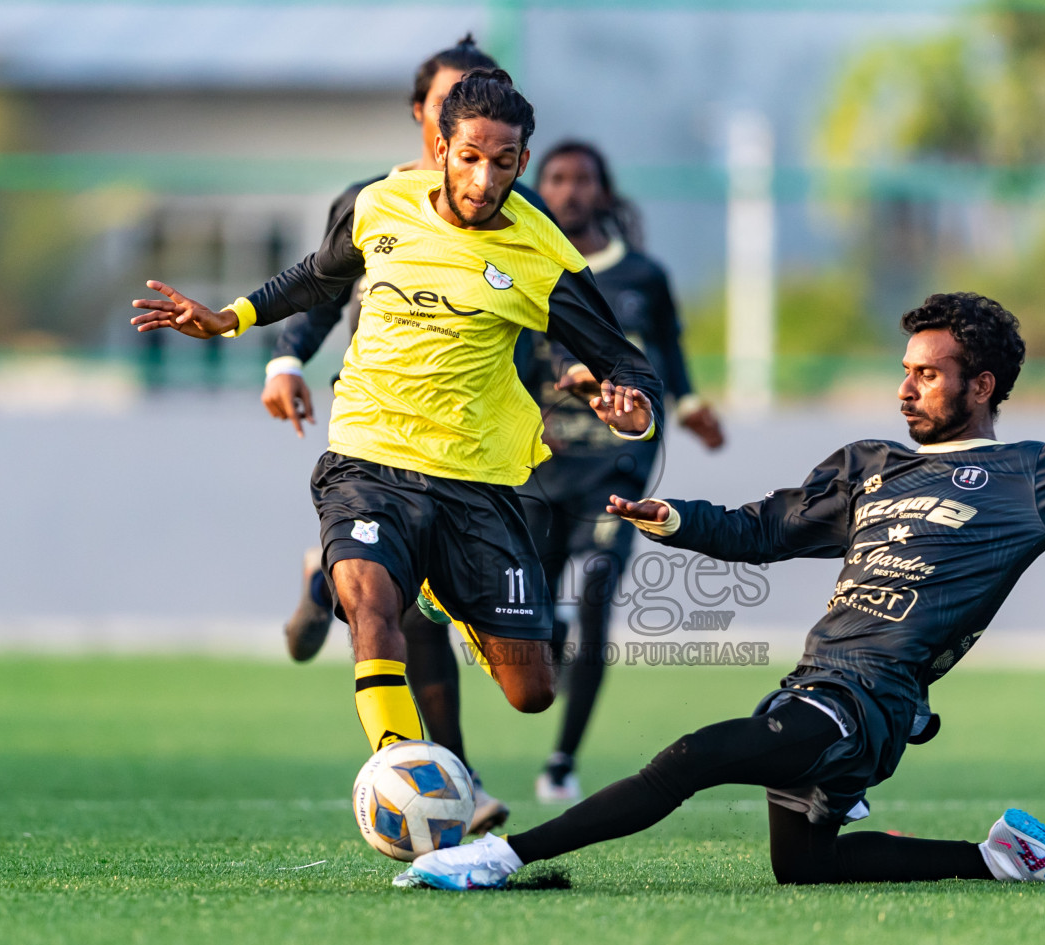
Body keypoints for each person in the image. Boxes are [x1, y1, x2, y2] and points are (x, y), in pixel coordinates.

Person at [396, 295, 1045, 890]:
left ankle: (501, 860)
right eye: (905, 372)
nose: (907, 388)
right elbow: (765, 529)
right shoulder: (871, 464)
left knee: (695, 756)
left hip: (871, 705)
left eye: (929, 376)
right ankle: (996, 858)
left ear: (982, 386)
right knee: (806, 868)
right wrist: (675, 518)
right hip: (815, 685)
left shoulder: (1028, 477)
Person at [130, 71, 663, 796]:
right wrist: (233, 317)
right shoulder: (381, 206)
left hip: (477, 478)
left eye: (503, 162)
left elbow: (624, 360)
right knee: (374, 611)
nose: (484, 178)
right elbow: (318, 277)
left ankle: (441, 591)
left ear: (522, 163)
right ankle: (408, 775)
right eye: (471, 156)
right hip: (368, 458)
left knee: (531, 691)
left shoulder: (543, 256)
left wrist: (636, 410)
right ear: (440, 147)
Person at [262, 35, 547, 833]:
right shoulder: (373, 198)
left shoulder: (518, 214)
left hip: (479, 437)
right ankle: (447, 776)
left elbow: (553, 307)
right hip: (386, 440)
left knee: (504, 655)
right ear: (427, 116)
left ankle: (327, 581)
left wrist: (579, 379)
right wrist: (283, 363)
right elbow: (319, 288)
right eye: (449, 102)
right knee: (406, 616)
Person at [517, 140, 725, 803]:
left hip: (619, 462)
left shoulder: (643, 277)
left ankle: (562, 759)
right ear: (539, 187)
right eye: (556, 178)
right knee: (540, 618)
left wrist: (689, 406)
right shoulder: (526, 266)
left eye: (583, 180)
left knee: (601, 588)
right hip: (543, 466)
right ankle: (553, 649)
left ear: (605, 194)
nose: (570, 190)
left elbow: (667, 352)